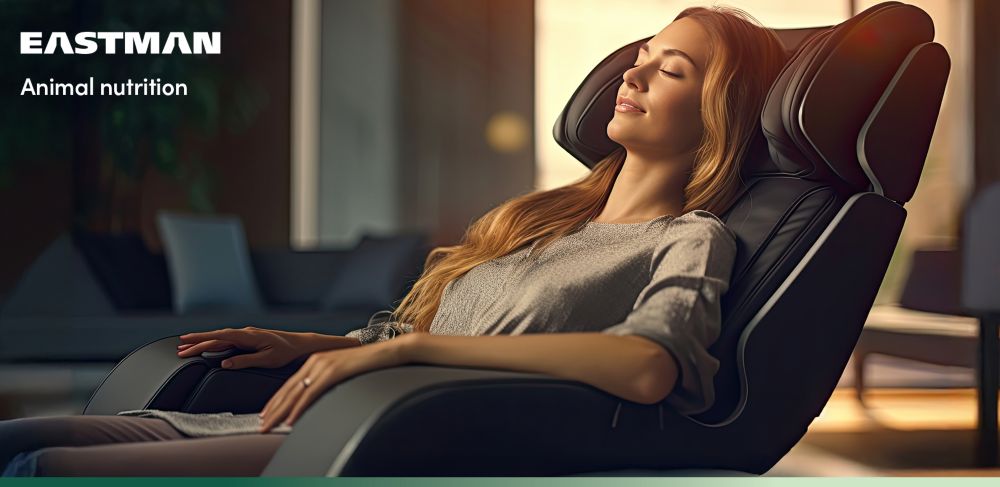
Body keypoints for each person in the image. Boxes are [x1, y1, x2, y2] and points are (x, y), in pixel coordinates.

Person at [0, 5, 787, 476]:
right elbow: (425, 334)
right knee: (14, 440)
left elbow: (652, 365)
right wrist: (296, 340)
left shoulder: (690, 238)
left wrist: (405, 355)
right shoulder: (543, 220)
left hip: (376, 433)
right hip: (311, 408)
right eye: (639, 58)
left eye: (671, 70)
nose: (633, 76)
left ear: (716, 112)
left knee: (39, 471)